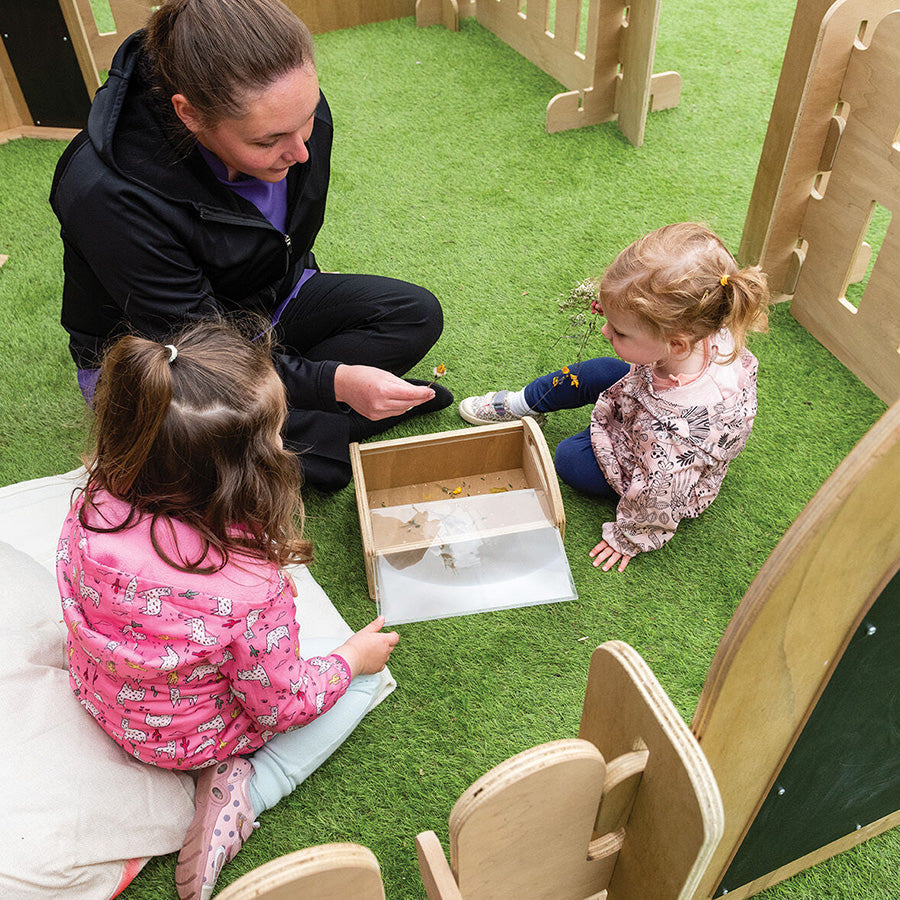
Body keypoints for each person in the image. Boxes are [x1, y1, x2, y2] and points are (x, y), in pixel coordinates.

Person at [56, 319, 399, 900]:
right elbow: (284, 703)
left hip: (100, 696)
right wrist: (351, 659)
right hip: (193, 739)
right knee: (369, 679)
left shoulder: (90, 506)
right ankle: (242, 789)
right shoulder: (248, 586)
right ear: (246, 472)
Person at [49, 0, 451, 492]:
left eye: (307, 117)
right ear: (190, 114)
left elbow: (283, 237)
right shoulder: (107, 197)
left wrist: (310, 354)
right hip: (168, 355)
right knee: (257, 453)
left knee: (414, 313)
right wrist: (334, 383)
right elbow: (204, 351)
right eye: (268, 142)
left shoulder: (291, 118)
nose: (301, 151)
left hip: (261, 302)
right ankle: (324, 440)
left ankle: (286, 440)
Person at [458, 223, 770, 572]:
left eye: (619, 330)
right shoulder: (706, 319)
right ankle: (522, 404)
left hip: (657, 458)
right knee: (596, 371)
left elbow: (660, 495)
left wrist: (628, 538)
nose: (606, 331)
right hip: (646, 401)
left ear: (677, 343)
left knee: (570, 457)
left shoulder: (674, 442)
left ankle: (585, 432)